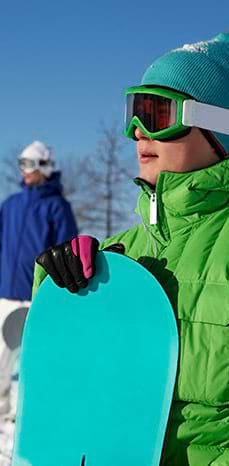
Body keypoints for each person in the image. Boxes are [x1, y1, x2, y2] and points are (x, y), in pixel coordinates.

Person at [35, 33, 229, 465]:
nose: (137, 132)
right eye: (134, 113)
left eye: (157, 113)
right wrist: (61, 289)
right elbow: (70, 388)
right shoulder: (120, 254)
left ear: (220, 129)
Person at [0, 140, 78, 463]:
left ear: (45, 166)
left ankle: (29, 417)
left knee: (33, 361)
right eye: (22, 163)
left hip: (37, 299)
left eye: (31, 164)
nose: (25, 170)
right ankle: (2, 414)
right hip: (5, 294)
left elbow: (69, 251)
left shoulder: (57, 207)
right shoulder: (11, 204)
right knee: (2, 360)